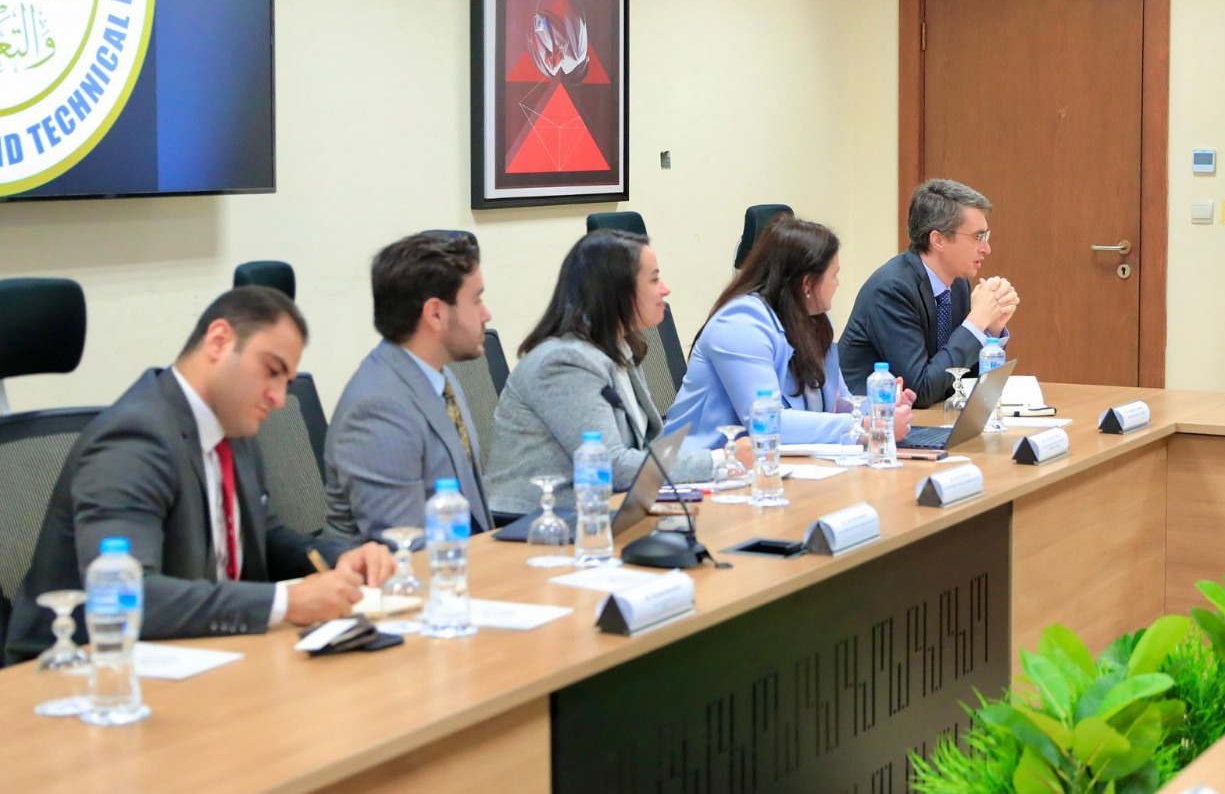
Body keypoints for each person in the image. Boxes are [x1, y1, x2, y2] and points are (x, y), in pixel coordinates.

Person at [5, 288, 395, 664]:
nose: (278, 398)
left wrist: (341, 558)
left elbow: (264, 537)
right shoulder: (133, 439)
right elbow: (129, 595)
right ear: (219, 341)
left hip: (200, 653)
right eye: (271, 371)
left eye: (286, 383)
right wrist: (286, 603)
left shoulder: (232, 424)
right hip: (81, 668)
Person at [485, 230, 753, 515]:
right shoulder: (564, 362)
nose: (665, 289)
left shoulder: (621, 349)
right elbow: (610, 466)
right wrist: (721, 460)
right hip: (534, 522)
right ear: (617, 291)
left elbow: (645, 449)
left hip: (608, 512)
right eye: (654, 280)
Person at [665, 215, 915, 445]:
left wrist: (881, 408)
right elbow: (769, 422)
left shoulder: (815, 320)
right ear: (807, 284)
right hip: (702, 466)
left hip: (780, 464)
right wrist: (864, 427)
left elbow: (837, 403)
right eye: (834, 275)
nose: (837, 283)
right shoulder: (740, 324)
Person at [323, 230, 494, 541]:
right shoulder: (379, 409)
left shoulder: (440, 378)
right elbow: (403, 549)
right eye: (476, 300)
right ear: (436, 314)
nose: (486, 314)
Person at [839, 179, 1020, 408]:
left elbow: (960, 379)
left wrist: (990, 331)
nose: (987, 248)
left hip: (926, 417)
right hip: (870, 420)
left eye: (986, 236)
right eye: (978, 237)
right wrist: (975, 324)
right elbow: (920, 390)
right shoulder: (891, 289)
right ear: (938, 240)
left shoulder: (958, 285)